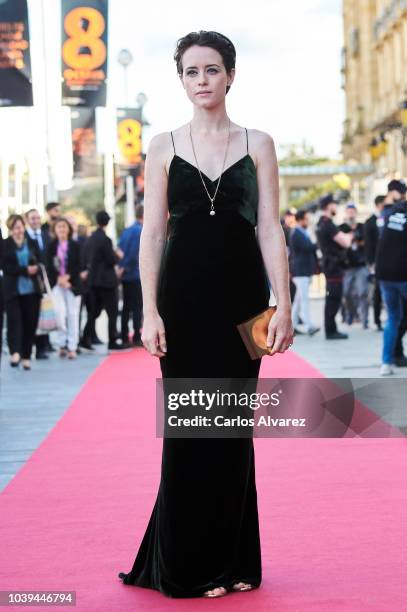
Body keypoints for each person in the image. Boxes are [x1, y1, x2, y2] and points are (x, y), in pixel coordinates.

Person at [118, 30, 293, 599]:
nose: (202, 81)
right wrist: (148, 311)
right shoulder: (163, 145)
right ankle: (189, 566)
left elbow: (270, 227)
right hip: (183, 304)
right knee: (190, 431)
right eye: (192, 72)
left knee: (233, 431)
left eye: (212, 70)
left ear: (230, 75)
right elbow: (153, 234)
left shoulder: (259, 143)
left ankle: (235, 558)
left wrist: (283, 303)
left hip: (243, 306)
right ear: (181, 80)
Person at [81, 210, 126, 352]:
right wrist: (118, 255)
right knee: (112, 311)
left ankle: (85, 339)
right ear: (107, 222)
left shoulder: (91, 238)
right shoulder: (105, 239)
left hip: (94, 281)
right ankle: (112, 340)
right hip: (107, 281)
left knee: (94, 312)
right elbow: (111, 260)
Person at [2, 215, 43, 370]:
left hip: (32, 290)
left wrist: (36, 267)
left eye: (21, 227)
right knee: (14, 322)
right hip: (12, 290)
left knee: (29, 323)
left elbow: (41, 260)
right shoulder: (5, 245)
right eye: (16, 228)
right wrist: (25, 270)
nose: (19, 230)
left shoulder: (31, 243)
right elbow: (5, 267)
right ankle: (15, 353)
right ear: (11, 229)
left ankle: (26, 355)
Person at [375, 180, 407, 375]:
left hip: (384, 276)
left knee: (392, 318)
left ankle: (386, 362)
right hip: (402, 275)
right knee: (396, 317)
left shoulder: (387, 215)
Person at [316, 193, 353, 339]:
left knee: (332, 298)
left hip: (330, 265)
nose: (336, 206)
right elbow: (346, 242)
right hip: (333, 266)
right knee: (334, 298)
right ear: (328, 206)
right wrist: (349, 235)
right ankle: (331, 330)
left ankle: (331, 328)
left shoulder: (322, 223)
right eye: (334, 204)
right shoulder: (328, 224)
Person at [45, 217, 82, 359]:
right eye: (59, 227)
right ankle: (62, 343)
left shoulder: (75, 245)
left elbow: (79, 264)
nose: (62, 229)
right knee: (59, 314)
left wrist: (68, 278)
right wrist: (58, 279)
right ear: (55, 229)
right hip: (57, 284)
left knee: (73, 315)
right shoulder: (50, 246)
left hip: (72, 284)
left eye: (64, 227)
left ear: (69, 229)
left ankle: (72, 346)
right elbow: (48, 266)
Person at [339, 203, 369, 328]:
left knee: (363, 293)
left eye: (353, 211)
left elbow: (366, 241)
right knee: (346, 293)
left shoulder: (362, 227)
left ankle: (365, 320)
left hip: (361, 264)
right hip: (347, 266)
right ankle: (352, 313)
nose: (351, 213)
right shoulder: (341, 227)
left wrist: (355, 240)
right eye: (349, 211)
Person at [25, 208, 50, 359]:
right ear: (27, 220)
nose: (35, 221)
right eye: (32, 218)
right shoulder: (24, 237)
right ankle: (34, 346)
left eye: (37, 218)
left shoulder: (46, 235)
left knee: (45, 313)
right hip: (31, 282)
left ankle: (43, 346)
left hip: (45, 281)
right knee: (33, 315)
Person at [289, 210, 319, 335]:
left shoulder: (302, 232)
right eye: (306, 219)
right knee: (304, 299)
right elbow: (309, 247)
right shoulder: (296, 233)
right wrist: (314, 240)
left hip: (304, 271)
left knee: (298, 300)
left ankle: (291, 325)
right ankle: (308, 325)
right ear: (300, 219)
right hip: (300, 271)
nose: (308, 221)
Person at [118, 203, 144, 347]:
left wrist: (121, 267)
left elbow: (120, 250)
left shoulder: (126, 230)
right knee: (137, 307)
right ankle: (136, 336)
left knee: (126, 306)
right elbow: (135, 252)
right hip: (134, 274)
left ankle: (123, 334)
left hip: (125, 275)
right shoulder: (139, 230)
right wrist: (126, 267)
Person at [364, 195, 385, 331]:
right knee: (377, 292)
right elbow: (368, 245)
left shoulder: (389, 218)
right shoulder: (370, 222)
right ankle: (377, 320)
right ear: (379, 204)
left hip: (389, 260)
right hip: (376, 262)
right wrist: (370, 263)